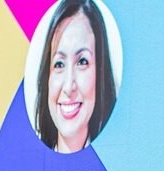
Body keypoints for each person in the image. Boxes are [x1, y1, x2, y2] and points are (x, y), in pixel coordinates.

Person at [33, 0, 117, 153]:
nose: (68, 87)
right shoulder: (27, 168)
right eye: (59, 64)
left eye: (82, 62)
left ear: (100, 73)